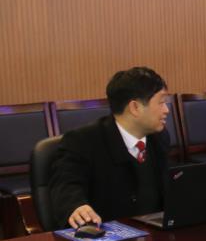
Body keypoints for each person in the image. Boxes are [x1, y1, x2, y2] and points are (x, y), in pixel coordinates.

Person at [51, 67, 171, 229]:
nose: (166, 110)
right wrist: (77, 206)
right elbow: (66, 186)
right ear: (135, 107)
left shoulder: (159, 137)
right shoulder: (82, 141)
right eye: (161, 102)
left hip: (153, 233)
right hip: (108, 235)